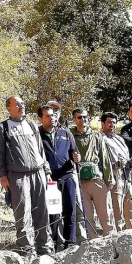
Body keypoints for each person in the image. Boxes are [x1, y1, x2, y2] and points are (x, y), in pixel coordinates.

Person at [0, 96, 53, 256]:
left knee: (42, 212)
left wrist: (46, 172)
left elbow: (41, 151)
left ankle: (45, 248)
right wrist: (2, 176)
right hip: (17, 177)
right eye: (17, 104)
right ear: (9, 108)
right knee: (22, 213)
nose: (21, 106)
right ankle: (26, 250)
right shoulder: (2, 128)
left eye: (23, 103)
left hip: (38, 173)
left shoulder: (32, 125)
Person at [38, 104, 79, 250]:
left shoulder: (65, 133)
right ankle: (55, 243)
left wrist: (76, 157)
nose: (52, 118)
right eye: (48, 116)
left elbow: (74, 151)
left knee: (70, 211)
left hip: (67, 176)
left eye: (54, 115)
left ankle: (70, 243)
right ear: (40, 119)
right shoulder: (37, 135)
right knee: (53, 213)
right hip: (50, 180)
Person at [71, 109, 113, 238]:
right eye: (79, 117)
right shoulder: (69, 135)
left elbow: (104, 158)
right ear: (74, 119)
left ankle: (111, 239)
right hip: (80, 181)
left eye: (84, 117)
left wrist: (109, 180)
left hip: (97, 178)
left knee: (105, 214)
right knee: (87, 216)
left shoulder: (96, 136)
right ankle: (93, 244)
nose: (82, 119)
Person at [101, 112, 132, 230]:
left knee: (130, 207)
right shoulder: (99, 138)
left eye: (114, 122)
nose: (112, 124)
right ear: (103, 123)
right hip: (113, 176)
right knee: (117, 209)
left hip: (126, 175)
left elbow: (126, 155)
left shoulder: (119, 139)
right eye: (109, 122)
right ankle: (119, 236)